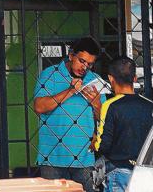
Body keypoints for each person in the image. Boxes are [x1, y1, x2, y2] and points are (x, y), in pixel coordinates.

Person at [33, 37, 106, 192]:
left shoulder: (96, 81)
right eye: (82, 61)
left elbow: (104, 119)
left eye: (90, 64)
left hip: (84, 159)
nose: (85, 67)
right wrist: (70, 91)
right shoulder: (49, 75)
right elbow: (39, 106)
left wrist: (97, 104)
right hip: (52, 158)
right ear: (71, 55)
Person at [94, 57, 153, 192]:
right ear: (134, 78)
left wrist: (94, 142)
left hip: (119, 172)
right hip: (144, 173)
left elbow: (103, 145)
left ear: (111, 78)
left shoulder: (110, 106)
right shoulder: (150, 105)